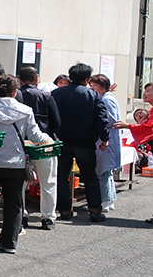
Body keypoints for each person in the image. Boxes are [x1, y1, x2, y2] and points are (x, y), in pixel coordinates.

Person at [0, 75, 53, 254]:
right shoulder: (25, 110)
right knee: (14, 203)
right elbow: (35, 136)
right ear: (15, 91)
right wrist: (48, 140)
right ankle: (8, 243)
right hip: (15, 164)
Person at [51, 63, 109, 222]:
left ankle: (63, 210)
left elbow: (50, 116)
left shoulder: (56, 93)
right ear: (86, 79)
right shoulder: (93, 95)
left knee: (61, 176)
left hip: (61, 140)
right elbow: (101, 118)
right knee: (90, 175)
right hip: (85, 141)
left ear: (70, 77)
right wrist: (105, 137)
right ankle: (95, 210)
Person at [19, 67, 61, 230]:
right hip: (44, 144)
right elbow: (56, 122)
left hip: (21, 144)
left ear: (19, 79)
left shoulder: (17, 95)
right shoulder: (46, 96)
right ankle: (48, 217)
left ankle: (21, 214)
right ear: (37, 78)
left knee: (20, 182)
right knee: (48, 181)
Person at [88, 74, 121, 214]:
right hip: (108, 138)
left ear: (102, 86)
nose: (93, 89)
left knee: (102, 171)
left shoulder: (106, 99)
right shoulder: (107, 97)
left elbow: (111, 120)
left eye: (95, 86)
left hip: (106, 139)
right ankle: (109, 200)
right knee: (106, 171)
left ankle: (104, 201)